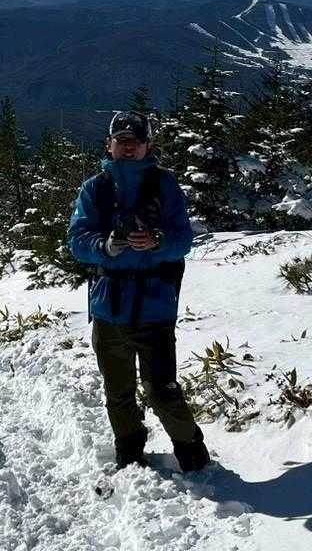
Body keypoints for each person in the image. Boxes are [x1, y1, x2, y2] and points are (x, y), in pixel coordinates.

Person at [67, 110, 211, 474]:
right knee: (118, 392)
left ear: (148, 145)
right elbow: (77, 240)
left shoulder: (165, 185)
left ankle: (193, 455)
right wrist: (104, 246)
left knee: (162, 390)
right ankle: (129, 454)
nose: (128, 148)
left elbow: (183, 239)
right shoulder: (95, 188)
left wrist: (157, 242)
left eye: (135, 142)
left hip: (154, 308)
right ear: (109, 145)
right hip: (109, 307)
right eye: (122, 141)